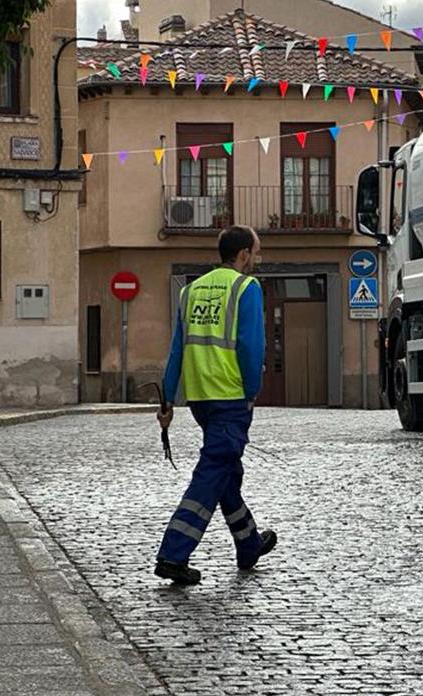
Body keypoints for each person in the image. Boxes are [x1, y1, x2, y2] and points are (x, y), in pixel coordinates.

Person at [154, 225, 276, 585]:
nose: (257, 260)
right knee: (211, 475)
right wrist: (251, 391)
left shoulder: (190, 291)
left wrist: (168, 400)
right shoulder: (245, 288)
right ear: (243, 255)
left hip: (200, 399)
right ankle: (173, 554)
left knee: (226, 471)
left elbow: (177, 349)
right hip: (231, 395)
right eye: (256, 253)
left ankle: (249, 544)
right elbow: (252, 347)